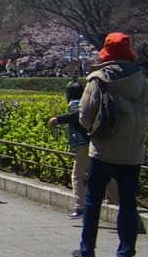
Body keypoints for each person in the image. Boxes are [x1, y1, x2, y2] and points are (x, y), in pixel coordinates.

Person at [72, 32, 148, 257]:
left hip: (104, 148)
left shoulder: (99, 79)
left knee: (93, 199)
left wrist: (92, 129)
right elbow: (147, 112)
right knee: (127, 202)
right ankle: (126, 256)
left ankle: (87, 250)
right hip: (133, 151)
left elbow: (85, 115)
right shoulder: (142, 80)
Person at [49, 81, 116, 218]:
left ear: (68, 94)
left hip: (82, 144)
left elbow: (76, 115)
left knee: (77, 176)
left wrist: (58, 119)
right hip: (92, 143)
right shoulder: (86, 103)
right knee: (102, 174)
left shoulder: (75, 104)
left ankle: (80, 207)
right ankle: (122, 201)